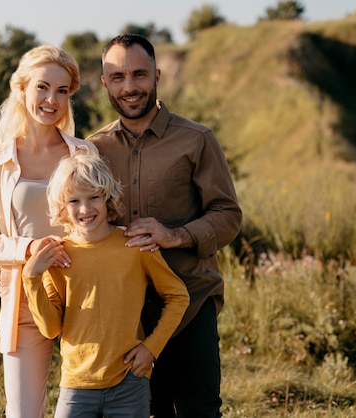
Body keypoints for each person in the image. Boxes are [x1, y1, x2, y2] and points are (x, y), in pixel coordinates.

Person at [86, 34, 242, 418]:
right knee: (146, 412)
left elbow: (228, 215)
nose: (129, 87)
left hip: (191, 299)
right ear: (105, 83)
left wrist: (175, 235)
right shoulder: (92, 150)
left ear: (157, 76)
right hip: (127, 314)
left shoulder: (197, 139)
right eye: (117, 77)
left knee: (199, 411)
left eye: (139, 75)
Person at [0, 45, 98, 418]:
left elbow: (104, 216)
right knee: (23, 413)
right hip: (25, 297)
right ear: (22, 89)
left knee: (87, 409)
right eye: (42, 87)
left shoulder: (84, 154)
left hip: (85, 294)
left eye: (61, 91)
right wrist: (28, 249)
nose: (51, 99)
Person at [22, 151, 190, 418]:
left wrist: (151, 348)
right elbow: (51, 328)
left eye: (94, 198)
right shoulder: (58, 255)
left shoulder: (135, 246)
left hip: (129, 380)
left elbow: (178, 296)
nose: (85, 209)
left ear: (108, 198)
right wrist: (31, 278)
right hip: (76, 384)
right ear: (62, 206)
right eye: (74, 201)